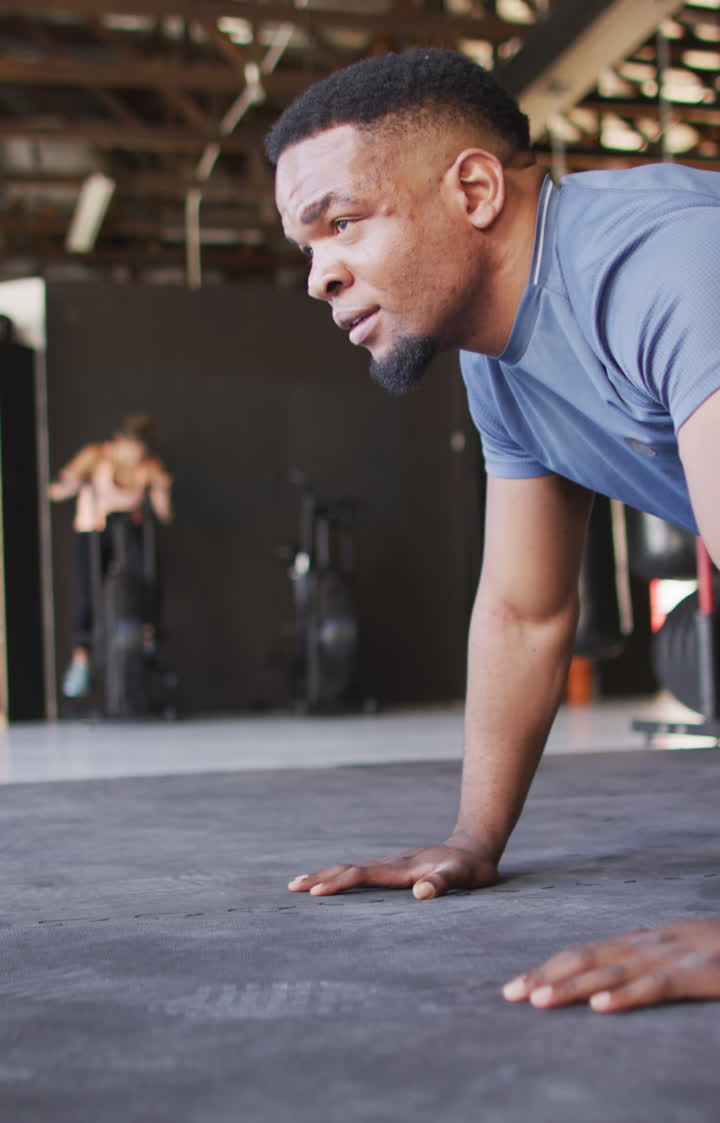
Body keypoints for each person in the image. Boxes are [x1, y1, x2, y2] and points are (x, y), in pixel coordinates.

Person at [264, 46, 720, 1013]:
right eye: (305, 247)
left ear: (473, 188)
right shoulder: (498, 362)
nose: (317, 277)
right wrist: (474, 839)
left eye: (339, 224)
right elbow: (524, 610)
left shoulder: (663, 265)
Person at [48, 412, 173, 697]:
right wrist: (70, 484)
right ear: (119, 440)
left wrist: (162, 489)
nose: (136, 454)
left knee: (146, 584)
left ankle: (145, 642)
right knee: (89, 593)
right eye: (133, 446)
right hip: (94, 532)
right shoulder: (95, 456)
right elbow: (58, 490)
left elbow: (164, 514)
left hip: (129, 534)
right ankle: (82, 660)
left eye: (142, 448)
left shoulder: (149, 467)